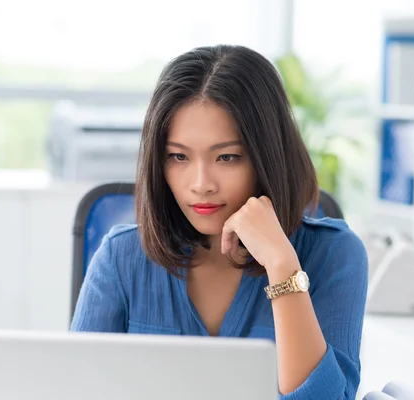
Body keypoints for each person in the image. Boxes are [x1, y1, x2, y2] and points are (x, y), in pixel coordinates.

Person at [71, 44, 368, 400]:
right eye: (178, 156)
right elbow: (78, 389)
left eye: (227, 157)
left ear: (267, 157)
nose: (201, 184)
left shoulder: (335, 255)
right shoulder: (120, 258)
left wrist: (282, 265)